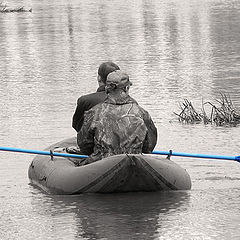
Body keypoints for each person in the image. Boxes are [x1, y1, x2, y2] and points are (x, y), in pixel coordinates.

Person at [77, 70, 157, 164]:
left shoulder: (93, 113)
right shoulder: (142, 113)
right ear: (127, 88)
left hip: (100, 164)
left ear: (107, 88)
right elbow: (149, 147)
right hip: (134, 164)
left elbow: (84, 146)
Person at [72, 62, 120, 132]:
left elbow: (76, 125)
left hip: (92, 140)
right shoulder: (129, 101)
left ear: (99, 78)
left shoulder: (85, 101)